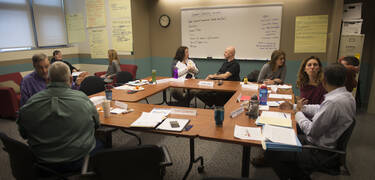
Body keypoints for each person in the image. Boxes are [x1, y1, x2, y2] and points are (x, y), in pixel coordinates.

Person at [267, 64, 356, 180]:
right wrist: (294, 106)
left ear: (323, 81)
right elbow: (320, 108)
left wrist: (298, 112)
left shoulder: (333, 103)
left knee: (271, 151)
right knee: (286, 133)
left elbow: (311, 131)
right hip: (327, 144)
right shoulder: (347, 96)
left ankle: (299, 176)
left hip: (320, 151)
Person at [17, 61, 102, 173]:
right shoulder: (83, 99)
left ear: (47, 80)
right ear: (71, 80)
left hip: (41, 162)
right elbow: (96, 125)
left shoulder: (29, 104)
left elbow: (23, 134)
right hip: (77, 159)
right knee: (101, 143)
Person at [20, 53, 88, 106]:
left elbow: (69, 91)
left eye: (46, 67)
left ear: (50, 64)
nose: (44, 71)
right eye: (40, 68)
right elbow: (25, 105)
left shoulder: (56, 73)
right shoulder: (27, 81)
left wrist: (76, 84)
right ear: (34, 66)